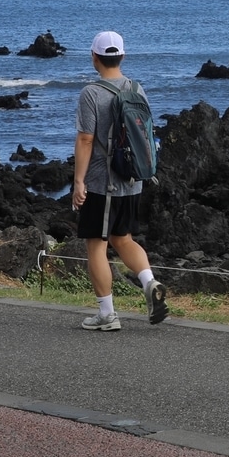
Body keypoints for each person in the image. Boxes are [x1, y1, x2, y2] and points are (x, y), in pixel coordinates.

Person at [72, 30, 168, 331]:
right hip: (133, 178)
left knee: (96, 245)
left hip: (103, 182)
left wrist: (78, 181)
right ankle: (149, 282)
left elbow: (86, 140)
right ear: (122, 56)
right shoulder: (137, 89)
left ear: (94, 57)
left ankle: (107, 314)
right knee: (123, 239)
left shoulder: (92, 93)